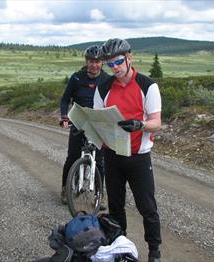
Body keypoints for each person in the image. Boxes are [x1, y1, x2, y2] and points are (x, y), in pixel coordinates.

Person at [94, 38, 162, 262]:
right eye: (110, 64)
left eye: (118, 62)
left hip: (139, 157)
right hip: (112, 155)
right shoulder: (103, 87)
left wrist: (140, 125)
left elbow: (156, 122)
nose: (114, 67)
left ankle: (154, 251)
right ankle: (120, 247)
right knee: (116, 206)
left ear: (129, 58)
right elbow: (97, 118)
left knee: (147, 207)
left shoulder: (147, 85)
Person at [59, 45, 110, 206]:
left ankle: (99, 195)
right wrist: (64, 116)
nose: (94, 65)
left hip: (98, 124)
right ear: (86, 62)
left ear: (102, 63)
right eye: (90, 61)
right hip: (79, 121)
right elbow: (65, 99)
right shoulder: (77, 78)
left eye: (97, 61)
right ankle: (65, 188)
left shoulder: (107, 80)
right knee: (72, 157)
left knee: (100, 161)